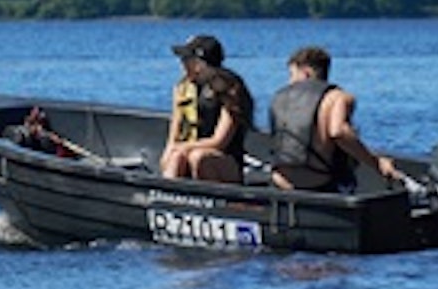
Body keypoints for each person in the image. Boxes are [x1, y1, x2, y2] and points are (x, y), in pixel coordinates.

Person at [268, 45, 401, 192]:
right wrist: (376, 163)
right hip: (317, 183)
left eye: (292, 74)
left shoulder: (279, 97)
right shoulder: (338, 97)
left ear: (306, 73)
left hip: (280, 182)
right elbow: (338, 132)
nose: (290, 81)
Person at [160, 34, 255, 183]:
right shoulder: (183, 89)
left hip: (224, 160)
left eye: (186, 60)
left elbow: (219, 141)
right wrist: (171, 151)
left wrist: (183, 147)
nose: (182, 64)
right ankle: (165, 197)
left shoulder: (229, 88)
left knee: (198, 157)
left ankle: (213, 202)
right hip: (187, 152)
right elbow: (175, 131)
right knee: (176, 157)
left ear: (199, 63)